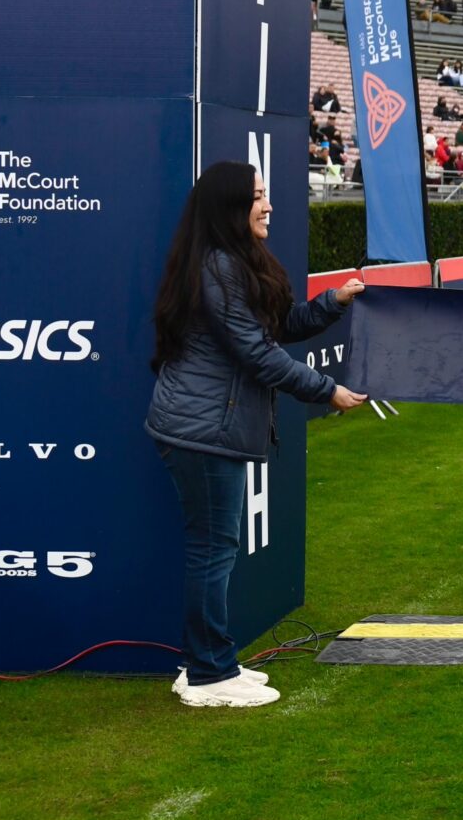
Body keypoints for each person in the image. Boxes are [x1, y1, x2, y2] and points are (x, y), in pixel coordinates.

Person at [145, 163, 366, 709]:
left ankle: (211, 663)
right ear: (229, 208)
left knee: (213, 549)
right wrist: (327, 390)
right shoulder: (219, 266)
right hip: (201, 432)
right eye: (257, 197)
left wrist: (332, 302)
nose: (268, 206)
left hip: (207, 428)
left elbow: (278, 327)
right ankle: (206, 675)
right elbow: (258, 353)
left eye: (266, 195)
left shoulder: (233, 263)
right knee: (212, 551)